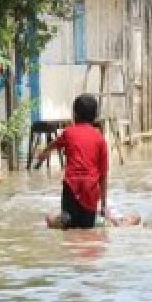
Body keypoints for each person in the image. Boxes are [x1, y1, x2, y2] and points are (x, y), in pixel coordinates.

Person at [37, 94, 110, 230]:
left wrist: (44, 152)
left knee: (69, 227)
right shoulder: (100, 139)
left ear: (74, 114)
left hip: (71, 185)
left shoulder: (68, 132)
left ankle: (57, 220)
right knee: (87, 230)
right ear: (95, 116)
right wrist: (104, 206)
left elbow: (55, 143)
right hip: (90, 188)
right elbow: (103, 175)